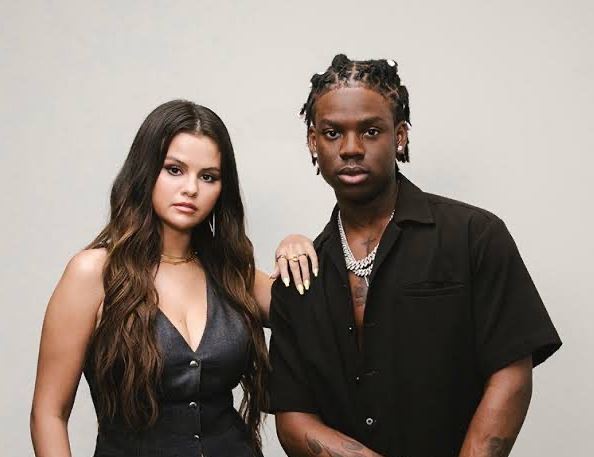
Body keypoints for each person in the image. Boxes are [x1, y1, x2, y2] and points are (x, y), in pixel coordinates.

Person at [269, 54, 562, 457]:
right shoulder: (301, 274)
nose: (351, 148)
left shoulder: (474, 236)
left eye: (371, 131)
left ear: (400, 136)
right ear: (312, 142)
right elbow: (292, 416)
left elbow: (511, 372)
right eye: (333, 133)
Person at [30, 100, 317, 457]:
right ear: (146, 170)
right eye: (174, 170)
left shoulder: (232, 274)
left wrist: (297, 244)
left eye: (208, 177)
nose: (191, 189)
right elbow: (48, 414)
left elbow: (322, 315)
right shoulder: (93, 274)